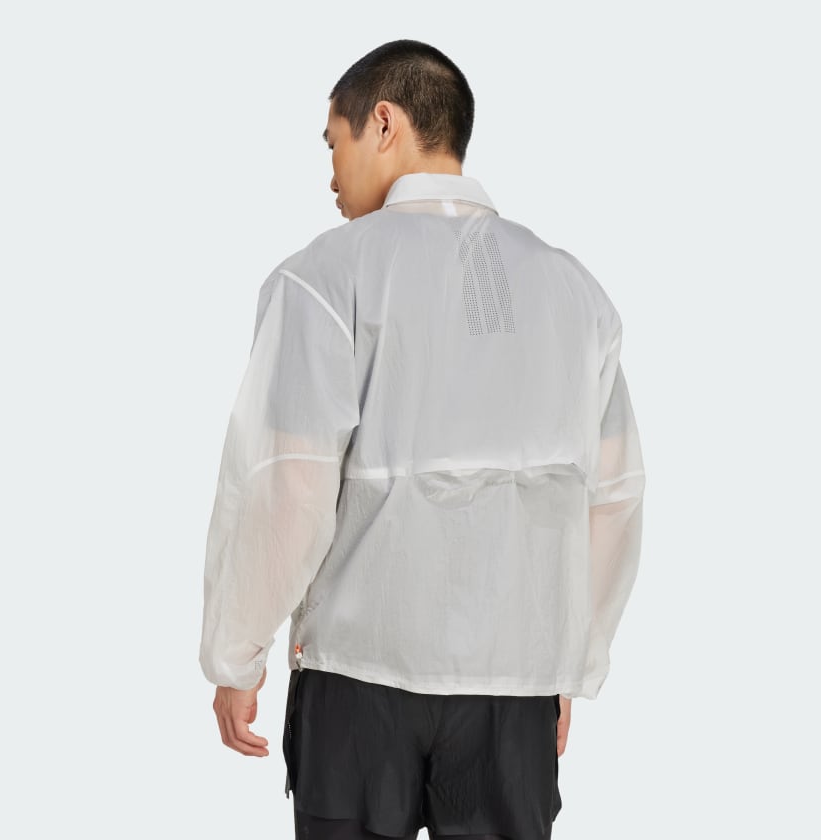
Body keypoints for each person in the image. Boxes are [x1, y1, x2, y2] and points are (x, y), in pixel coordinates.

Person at [199, 39, 646, 840]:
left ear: (383, 122)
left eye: (333, 144)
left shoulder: (324, 276)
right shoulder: (573, 291)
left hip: (358, 678)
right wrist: (566, 664)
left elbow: (289, 484)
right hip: (513, 684)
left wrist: (237, 656)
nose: (330, 176)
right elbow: (613, 494)